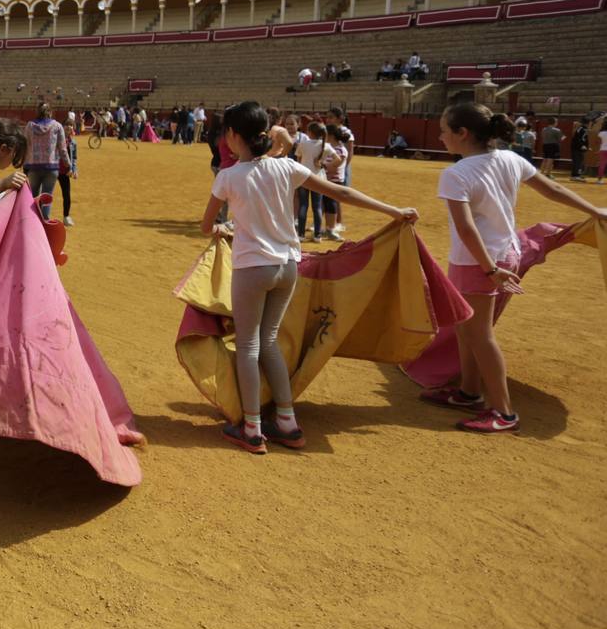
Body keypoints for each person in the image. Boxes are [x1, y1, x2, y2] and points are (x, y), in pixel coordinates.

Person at [201, 102, 416, 454]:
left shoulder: (228, 177)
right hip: (288, 267)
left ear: (232, 137)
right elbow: (341, 192)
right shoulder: (286, 167)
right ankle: (287, 421)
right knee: (268, 341)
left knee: (249, 345)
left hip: (252, 268)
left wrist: (225, 227)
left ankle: (252, 428)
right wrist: (394, 211)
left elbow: (207, 225)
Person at [420, 102, 607, 432]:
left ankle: (503, 412)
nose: (440, 137)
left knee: (480, 335)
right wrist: (594, 210)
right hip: (491, 255)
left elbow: (466, 228)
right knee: (465, 327)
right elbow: (554, 188)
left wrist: (490, 268)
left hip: (481, 259)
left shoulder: (455, 174)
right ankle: (469, 391)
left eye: (445, 131)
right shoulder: (509, 159)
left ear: (463, 134)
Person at [23, 102, 71, 220]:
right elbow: (63, 148)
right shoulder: (57, 126)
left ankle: (32, 223)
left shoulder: (30, 126)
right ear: (50, 112)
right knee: (47, 197)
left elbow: (25, 145)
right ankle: (45, 223)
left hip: (33, 166)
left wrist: (24, 164)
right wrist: (68, 165)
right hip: (51, 166)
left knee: (33, 197)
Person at [293, 122, 331, 241]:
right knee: (317, 207)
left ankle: (301, 235)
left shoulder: (303, 143)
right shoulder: (326, 146)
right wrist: (324, 164)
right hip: (318, 179)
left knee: (303, 205)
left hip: (304, 177)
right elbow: (338, 159)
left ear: (309, 132)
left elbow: (298, 159)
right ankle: (317, 235)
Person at [57, 116, 78, 226]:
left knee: (67, 195)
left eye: (71, 125)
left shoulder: (73, 142)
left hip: (65, 172)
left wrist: (74, 170)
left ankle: (66, 216)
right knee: (46, 193)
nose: (69, 127)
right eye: (66, 125)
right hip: (53, 169)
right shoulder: (56, 138)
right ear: (62, 127)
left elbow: (74, 157)